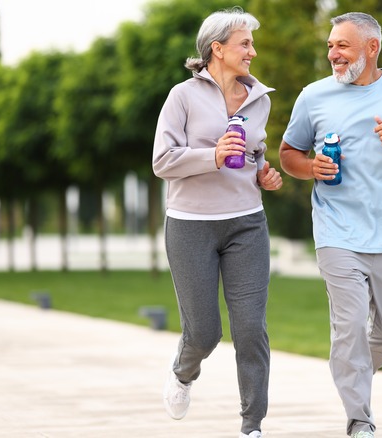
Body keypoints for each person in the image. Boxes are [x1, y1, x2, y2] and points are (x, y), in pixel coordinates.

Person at [278, 11, 382, 438]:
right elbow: (288, 154)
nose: (333, 54)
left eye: (343, 46)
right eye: (331, 46)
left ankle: (349, 370)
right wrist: (310, 167)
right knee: (348, 326)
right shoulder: (313, 97)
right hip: (336, 231)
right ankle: (359, 420)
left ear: (372, 48)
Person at [152, 7, 281, 438]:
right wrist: (213, 155)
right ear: (217, 48)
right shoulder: (182, 96)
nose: (253, 52)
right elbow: (162, 161)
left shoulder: (260, 99)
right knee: (205, 332)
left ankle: (252, 426)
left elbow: (255, 153)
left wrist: (264, 172)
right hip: (191, 225)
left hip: (247, 222)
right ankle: (183, 373)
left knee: (250, 329)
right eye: (245, 44)